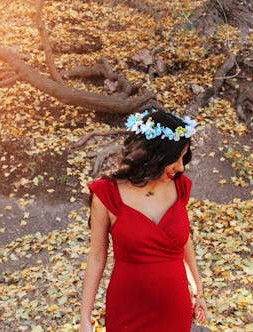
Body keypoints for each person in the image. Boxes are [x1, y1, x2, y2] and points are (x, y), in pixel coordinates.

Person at [79, 109, 207, 332]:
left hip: (175, 309)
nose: (181, 167)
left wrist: (199, 291)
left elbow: (184, 242)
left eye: (182, 158)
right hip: (128, 311)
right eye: (174, 159)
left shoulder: (180, 186)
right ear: (153, 155)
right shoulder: (107, 193)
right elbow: (97, 257)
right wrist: (85, 318)